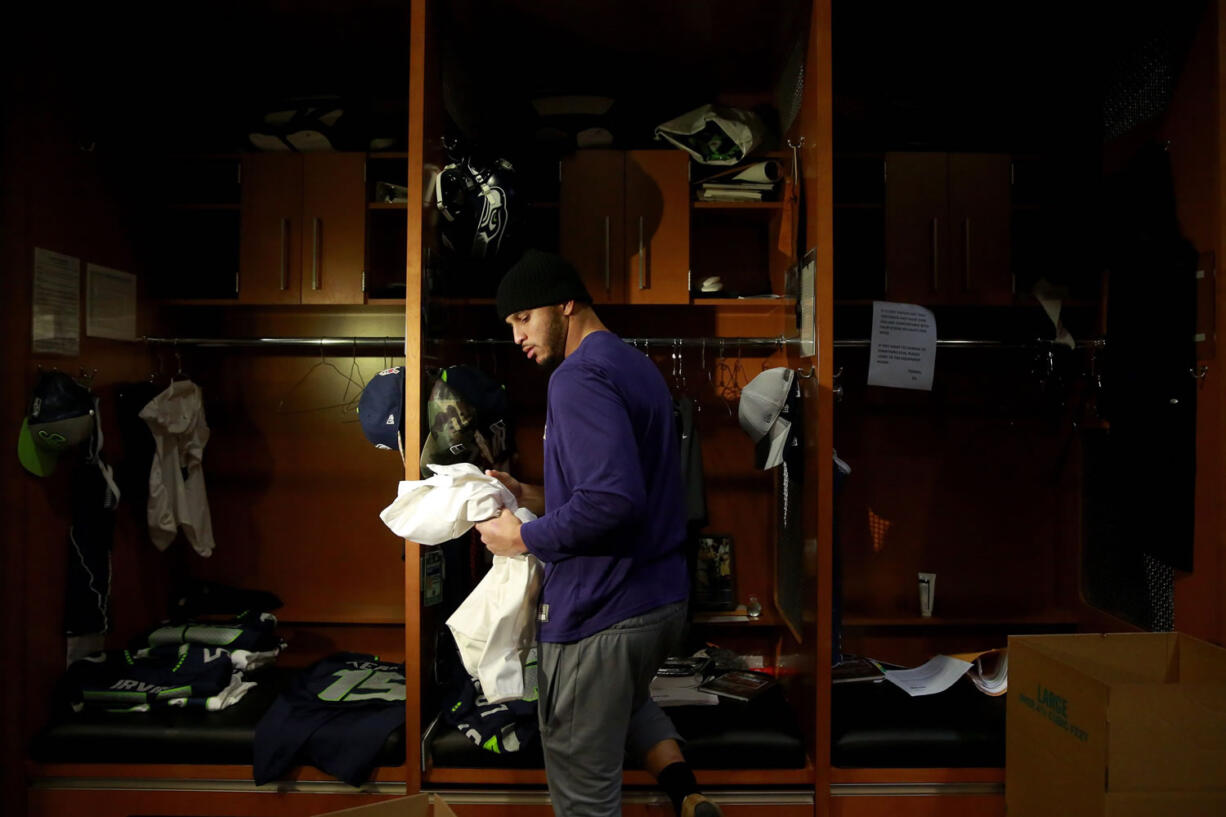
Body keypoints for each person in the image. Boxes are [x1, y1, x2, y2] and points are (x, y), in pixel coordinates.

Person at [474, 249, 721, 817]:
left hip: (601, 612)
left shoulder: (576, 376)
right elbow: (632, 485)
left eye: (522, 319)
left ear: (565, 305)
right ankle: (688, 795)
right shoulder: (631, 364)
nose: (516, 337)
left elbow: (612, 501)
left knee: (585, 803)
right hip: (658, 604)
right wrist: (533, 496)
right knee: (625, 703)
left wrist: (523, 538)